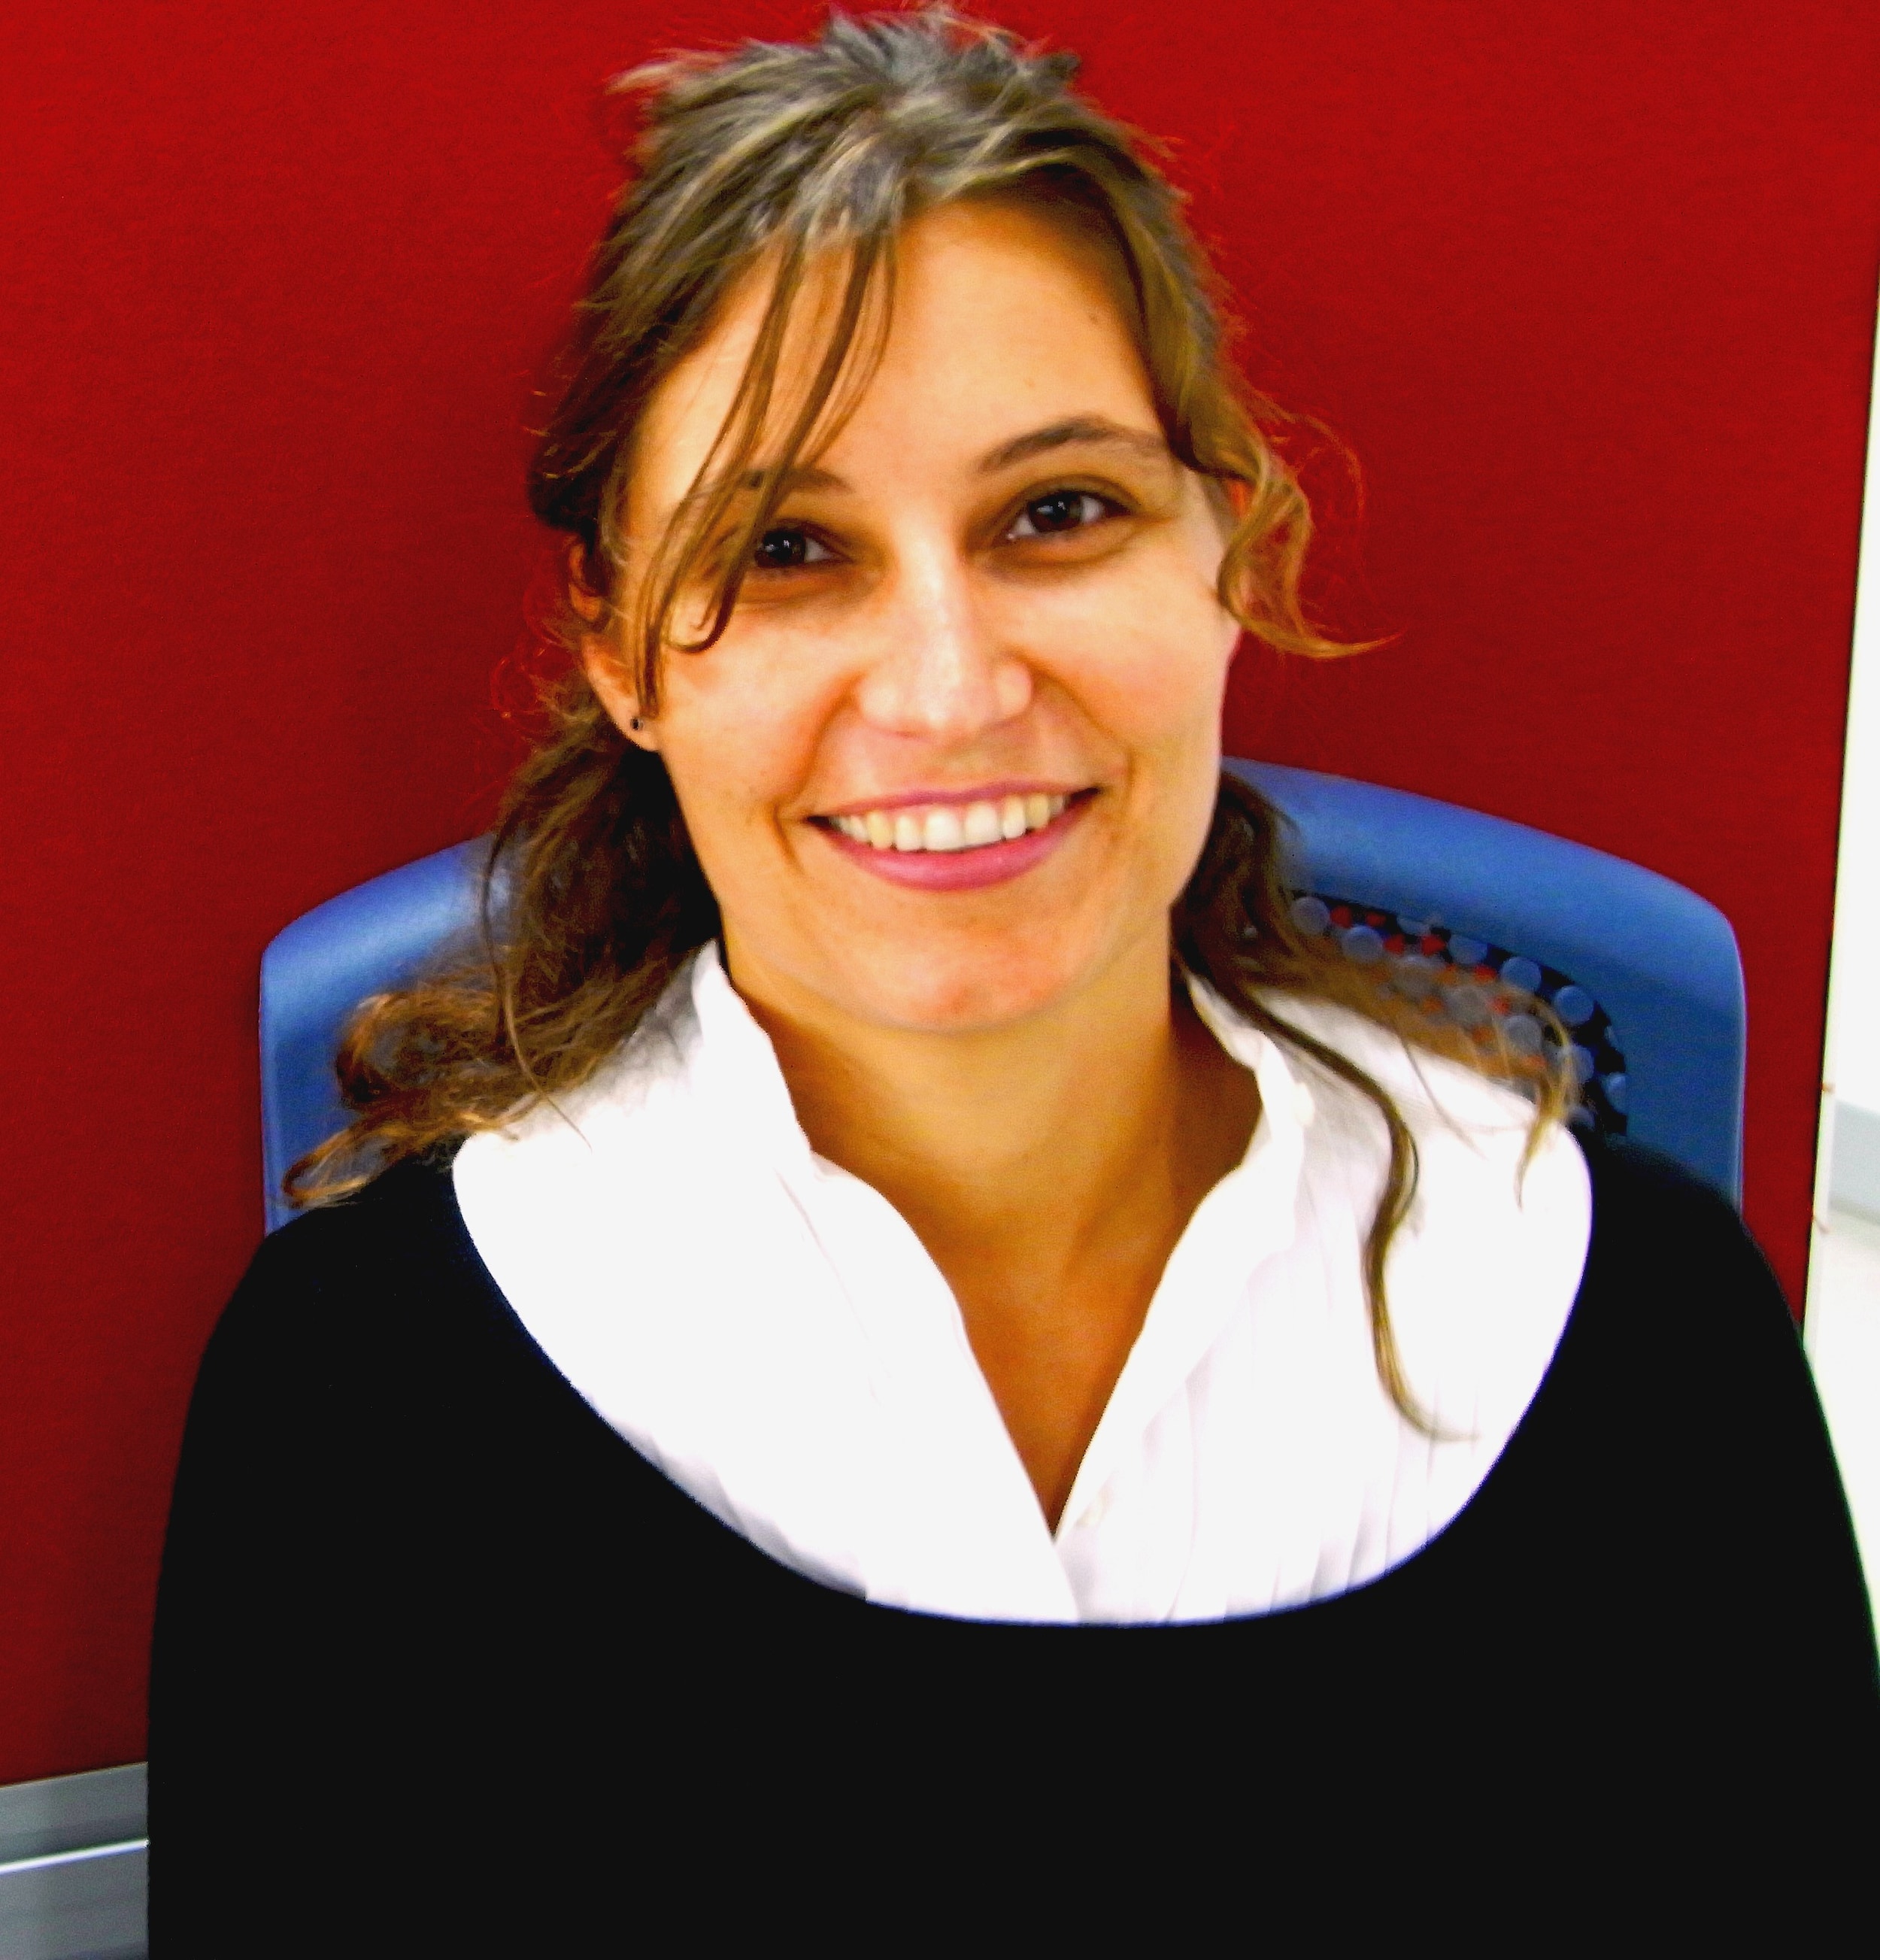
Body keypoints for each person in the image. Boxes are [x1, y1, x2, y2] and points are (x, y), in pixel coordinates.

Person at [151, 10, 1876, 1947]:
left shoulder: (1628, 1324)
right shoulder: (359, 1401)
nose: (950, 690)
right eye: (787, 548)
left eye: (1057, 513)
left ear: (1230, 550)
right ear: (625, 655)